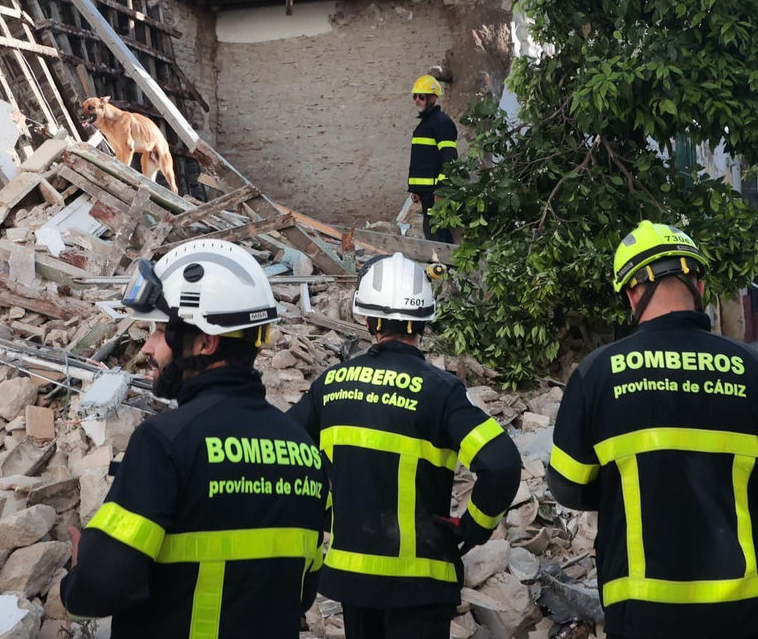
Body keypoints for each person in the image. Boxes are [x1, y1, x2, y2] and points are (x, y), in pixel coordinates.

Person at [547, 221, 758, 639]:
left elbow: (567, 487)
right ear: (700, 287)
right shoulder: (752, 368)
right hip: (739, 609)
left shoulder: (597, 373)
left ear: (632, 294)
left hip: (641, 610)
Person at [63, 239, 326, 638]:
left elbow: (101, 589)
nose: (147, 347)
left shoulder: (164, 442)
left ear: (205, 342)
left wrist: (81, 574)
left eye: (160, 331)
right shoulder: (304, 448)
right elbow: (303, 592)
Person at [288, 253, 522, 639]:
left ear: (367, 319)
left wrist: (328, 513)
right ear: (425, 321)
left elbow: (287, 453)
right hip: (421, 584)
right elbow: (501, 464)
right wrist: (473, 527)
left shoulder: (329, 385)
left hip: (353, 578)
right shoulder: (442, 391)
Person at [407, 75, 457, 244]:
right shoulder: (425, 124)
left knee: (437, 233)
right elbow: (421, 159)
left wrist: (441, 190)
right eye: (415, 96)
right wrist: (416, 189)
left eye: (421, 96)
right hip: (426, 192)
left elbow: (450, 159)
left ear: (433, 98)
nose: (417, 100)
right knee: (432, 231)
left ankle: (445, 261)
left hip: (435, 192)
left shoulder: (442, 123)